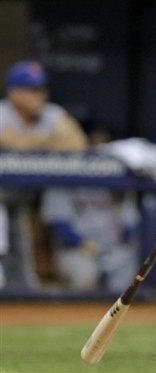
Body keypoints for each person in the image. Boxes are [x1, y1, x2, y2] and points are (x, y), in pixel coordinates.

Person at [0, 61, 88, 289]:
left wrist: (26, 143)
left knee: (22, 278)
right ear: (14, 93)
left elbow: (78, 143)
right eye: (32, 90)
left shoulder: (52, 113)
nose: (40, 95)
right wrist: (51, 142)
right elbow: (8, 140)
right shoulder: (2, 113)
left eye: (41, 89)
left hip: (21, 200)